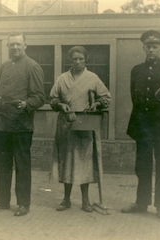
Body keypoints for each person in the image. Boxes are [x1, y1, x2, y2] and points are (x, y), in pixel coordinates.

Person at [122, 30, 160, 219]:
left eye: (155, 47)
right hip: (143, 126)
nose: (151, 50)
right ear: (143, 48)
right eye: (148, 47)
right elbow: (135, 97)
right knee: (142, 165)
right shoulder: (136, 70)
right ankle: (141, 203)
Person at [0, 32, 45, 217]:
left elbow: (40, 97)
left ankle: (23, 204)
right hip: (2, 125)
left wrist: (27, 104)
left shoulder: (33, 67)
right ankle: (2, 201)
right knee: (1, 165)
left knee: (22, 165)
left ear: (25, 45)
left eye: (18, 44)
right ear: (8, 47)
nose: (15, 48)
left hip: (20, 126)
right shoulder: (4, 66)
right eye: (12, 45)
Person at [50, 46, 111, 212]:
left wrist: (97, 104)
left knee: (85, 162)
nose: (77, 62)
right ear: (70, 61)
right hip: (66, 125)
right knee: (67, 161)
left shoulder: (92, 78)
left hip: (85, 124)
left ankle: (86, 200)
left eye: (81, 59)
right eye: (74, 59)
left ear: (86, 60)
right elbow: (53, 99)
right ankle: (66, 199)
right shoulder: (62, 79)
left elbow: (106, 98)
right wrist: (61, 105)